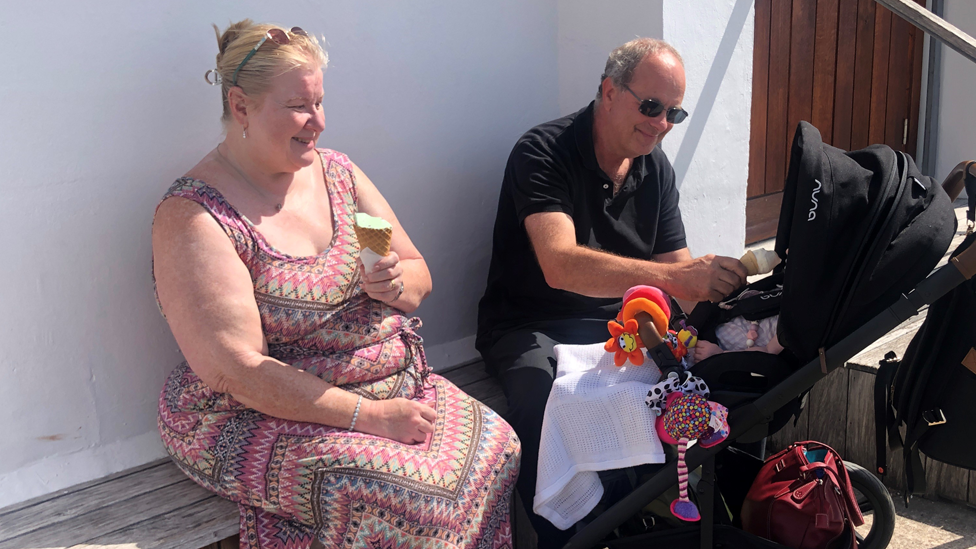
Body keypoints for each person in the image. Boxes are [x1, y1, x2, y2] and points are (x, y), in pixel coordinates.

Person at [152, 20, 519, 549]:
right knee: (415, 503)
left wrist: (396, 284)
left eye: (320, 102)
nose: (318, 122)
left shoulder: (338, 174)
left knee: (499, 446)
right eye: (299, 106)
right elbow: (238, 371)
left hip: (386, 384)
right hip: (260, 411)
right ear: (241, 106)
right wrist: (370, 419)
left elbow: (417, 272)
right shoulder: (196, 217)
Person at [475, 38, 747, 546]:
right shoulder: (543, 150)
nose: (661, 123)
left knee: (692, 382)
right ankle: (567, 535)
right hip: (529, 321)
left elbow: (675, 275)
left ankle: (649, 517)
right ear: (608, 90)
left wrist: (716, 300)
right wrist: (678, 280)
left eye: (674, 113)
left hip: (621, 324)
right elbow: (559, 265)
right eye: (650, 106)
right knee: (540, 400)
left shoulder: (655, 168)